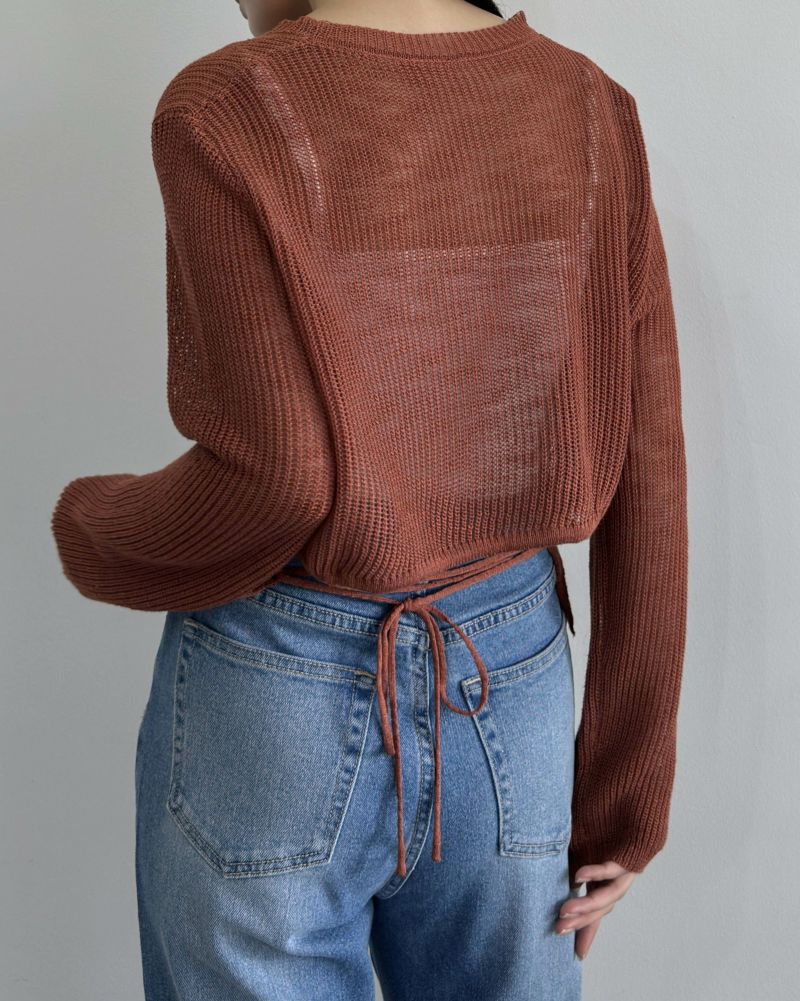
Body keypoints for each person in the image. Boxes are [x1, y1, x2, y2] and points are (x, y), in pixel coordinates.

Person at [50, 2, 689, 998]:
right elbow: (648, 465)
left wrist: (92, 528)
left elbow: (278, 482)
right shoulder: (589, 105)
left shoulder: (228, 105)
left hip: (280, 680)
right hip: (508, 679)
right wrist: (625, 799)